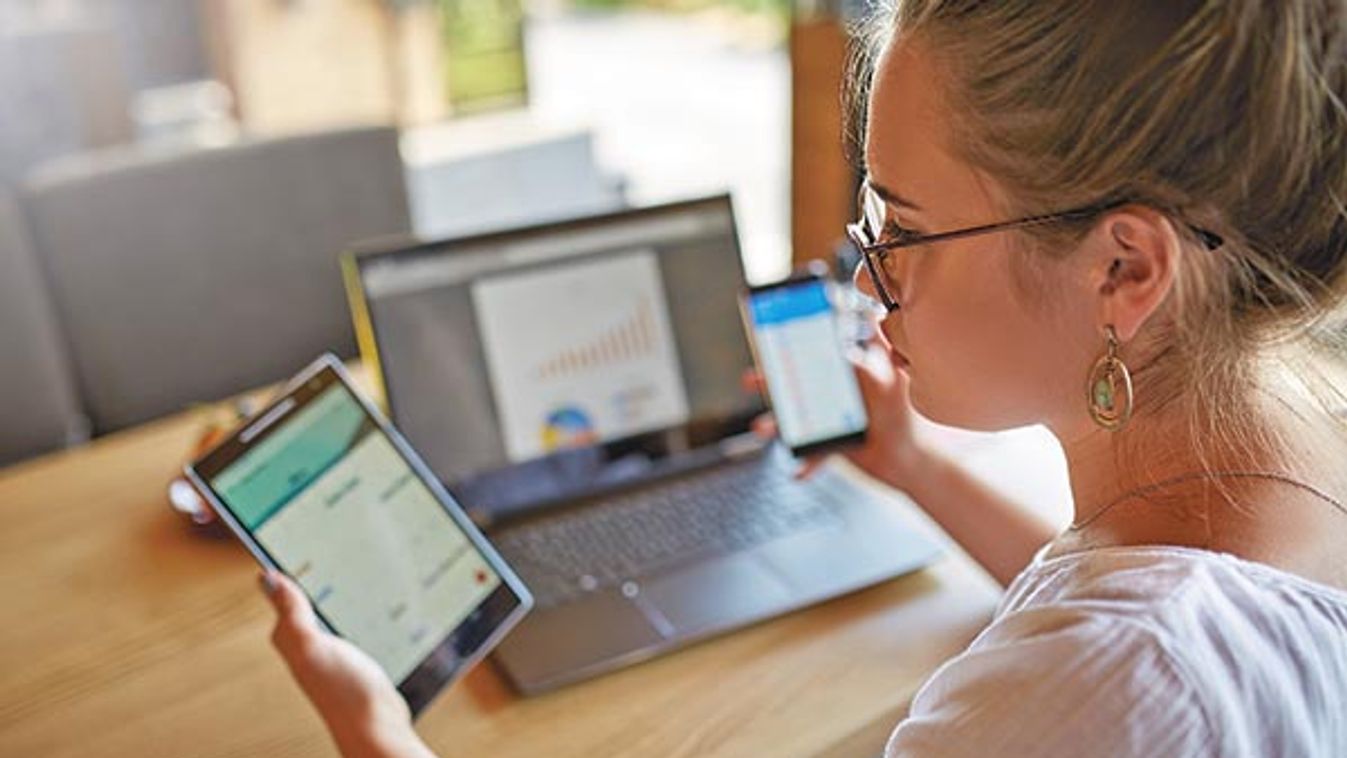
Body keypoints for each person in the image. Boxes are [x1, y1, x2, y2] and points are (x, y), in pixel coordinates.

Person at [259, 1, 1347, 755]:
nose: (868, 280)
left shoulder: (1097, 687)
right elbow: (1147, 605)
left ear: (1124, 268)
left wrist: (376, 730)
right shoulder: (1295, 440)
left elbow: (1123, 659)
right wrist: (914, 467)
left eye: (902, 225)